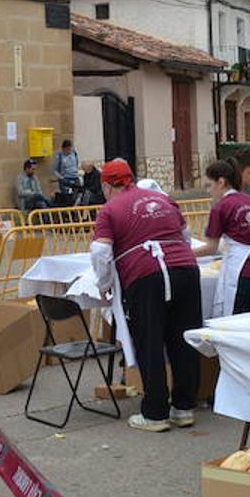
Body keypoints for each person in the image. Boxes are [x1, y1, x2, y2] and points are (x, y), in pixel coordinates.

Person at [89, 158, 202, 432]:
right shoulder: (164, 199)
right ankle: (184, 407)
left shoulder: (109, 209)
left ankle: (155, 413)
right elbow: (185, 236)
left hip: (146, 274)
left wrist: (104, 282)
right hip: (185, 268)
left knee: (149, 340)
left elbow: (101, 251)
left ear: (107, 185)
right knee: (184, 338)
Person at [202, 159, 250, 317]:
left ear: (221, 182)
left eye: (209, 185)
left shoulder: (220, 207)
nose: (208, 191)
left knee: (238, 324)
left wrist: (185, 253)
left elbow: (210, 248)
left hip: (242, 271)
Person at [53, 139, 82, 205]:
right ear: (64, 148)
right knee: (68, 197)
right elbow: (55, 170)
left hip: (75, 177)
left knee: (77, 195)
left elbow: (76, 164)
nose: (69, 151)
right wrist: (61, 178)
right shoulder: (59, 156)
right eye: (67, 149)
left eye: (70, 148)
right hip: (66, 179)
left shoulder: (74, 153)